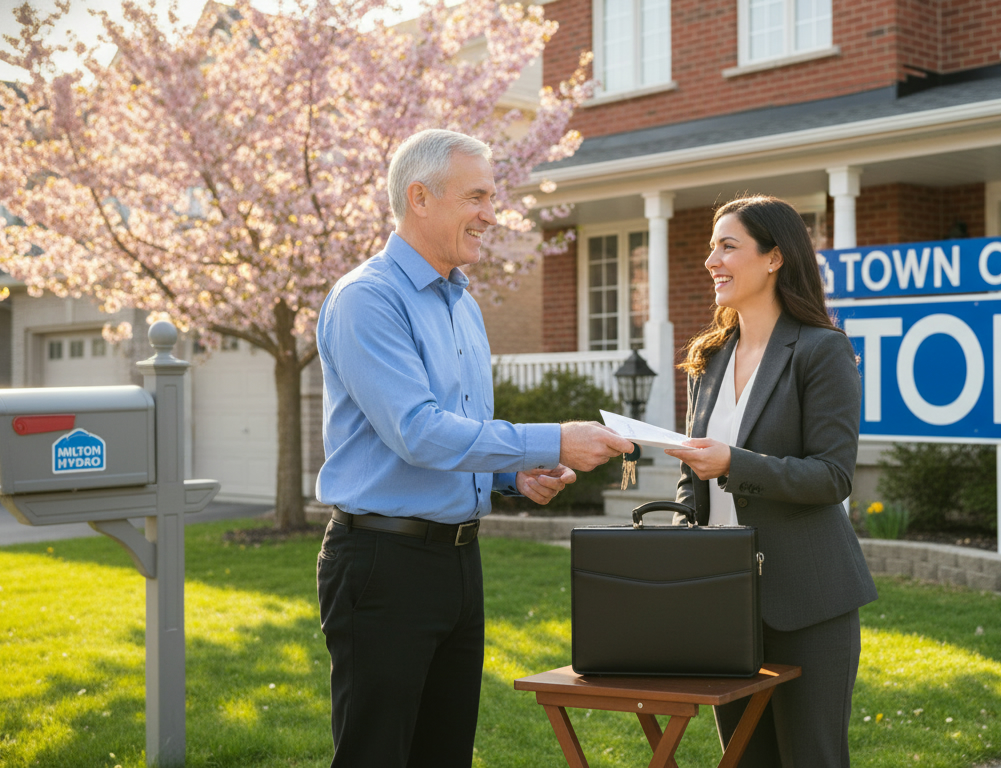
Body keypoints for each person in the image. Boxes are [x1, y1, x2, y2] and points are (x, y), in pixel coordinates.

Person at [314, 128, 634, 768]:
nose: (492, 214)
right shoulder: (368, 300)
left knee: (445, 753)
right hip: (383, 563)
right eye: (478, 197)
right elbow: (420, 432)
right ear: (420, 197)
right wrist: (554, 438)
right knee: (377, 754)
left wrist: (512, 479)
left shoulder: (464, 304)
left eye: (493, 198)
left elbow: (456, 437)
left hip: (459, 563)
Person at [664, 195, 877, 767]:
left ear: (775, 257)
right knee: (743, 760)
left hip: (809, 600)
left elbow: (833, 476)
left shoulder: (821, 350)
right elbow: (695, 486)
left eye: (728, 246)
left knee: (812, 757)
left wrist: (735, 463)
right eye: (712, 247)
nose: (712, 260)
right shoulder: (707, 359)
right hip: (727, 603)